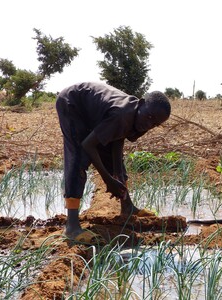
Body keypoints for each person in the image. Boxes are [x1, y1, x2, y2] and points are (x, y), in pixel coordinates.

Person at [56, 82, 171, 243]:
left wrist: (117, 174)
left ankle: (127, 207)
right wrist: (108, 179)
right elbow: (88, 144)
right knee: (78, 158)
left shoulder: (141, 119)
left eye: (155, 124)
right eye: (150, 117)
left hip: (96, 114)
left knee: (115, 162)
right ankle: (72, 227)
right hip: (73, 104)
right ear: (142, 103)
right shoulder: (122, 114)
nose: (149, 124)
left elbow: (117, 140)